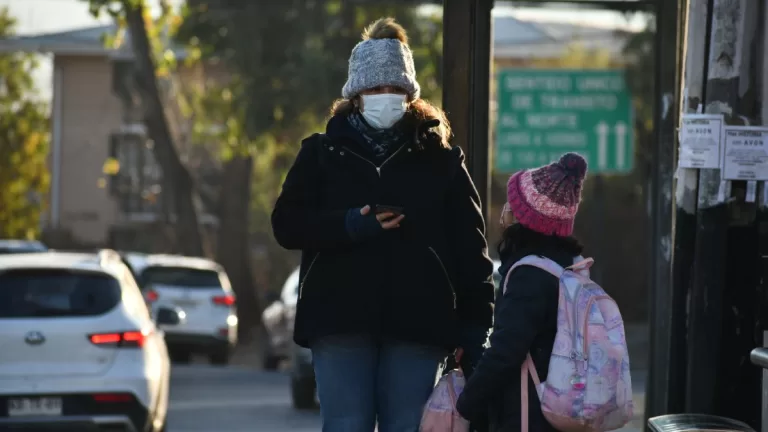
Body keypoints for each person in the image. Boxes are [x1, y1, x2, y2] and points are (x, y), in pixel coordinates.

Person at [271, 17, 495, 432]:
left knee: (407, 425)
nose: (385, 97)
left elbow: (472, 251)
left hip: (418, 324)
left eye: (395, 89)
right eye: (375, 89)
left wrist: (475, 326)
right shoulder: (320, 154)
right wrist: (349, 225)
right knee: (346, 425)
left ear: (410, 95)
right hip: (338, 320)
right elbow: (287, 225)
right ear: (355, 95)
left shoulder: (441, 160)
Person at [456, 153, 588, 432]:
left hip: (529, 414)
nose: (505, 210)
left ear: (524, 219)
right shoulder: (571, 266)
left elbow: (506, 351)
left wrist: (464, 405)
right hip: (561, 408)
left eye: (512, 205)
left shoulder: (530, 275)